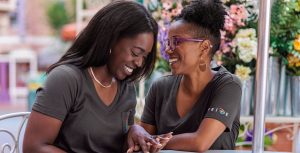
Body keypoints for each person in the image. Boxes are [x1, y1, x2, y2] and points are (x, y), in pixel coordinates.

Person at [23, 1, 162, 152]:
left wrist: (134, 132)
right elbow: (33, 147)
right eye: (135, 53)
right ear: (111, 39)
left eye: (145, 57)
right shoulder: (66, 79)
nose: (140, 63)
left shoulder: (126, 89)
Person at [140, 0, 242, 152]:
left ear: (204, 47)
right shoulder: (160, 88)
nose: (168, 50)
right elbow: (142, 145)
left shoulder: (228, 85)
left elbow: (200, 142)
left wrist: (153, 141)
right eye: (167, 42)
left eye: (176, 42)